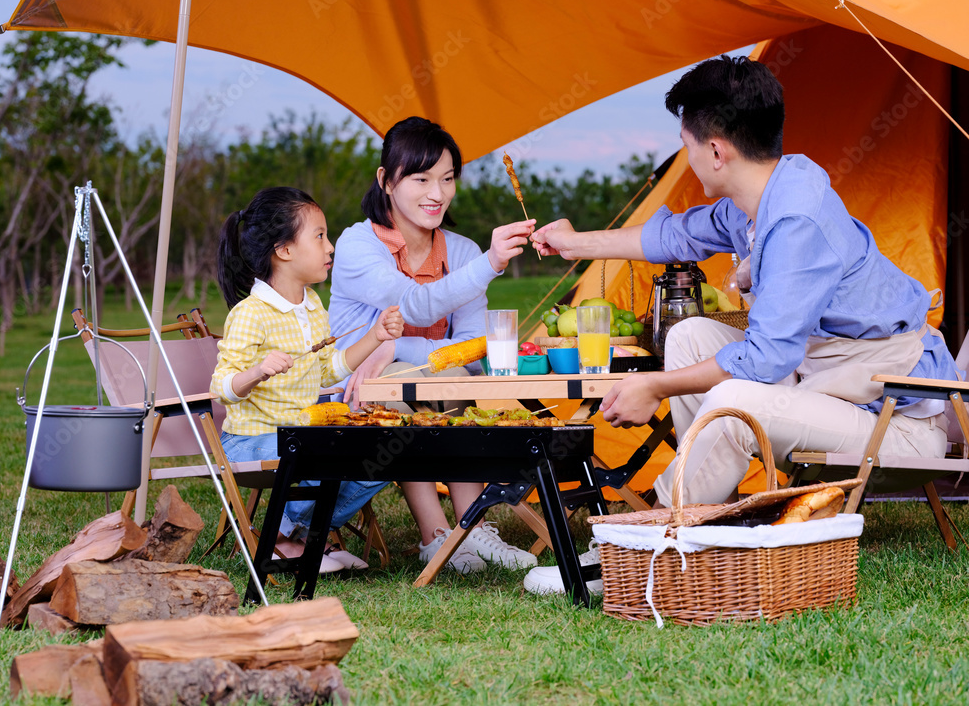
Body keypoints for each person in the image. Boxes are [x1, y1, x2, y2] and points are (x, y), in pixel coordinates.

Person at [527, 54, 961, 594]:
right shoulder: (764, 194)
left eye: (686, 146)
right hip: (824, 383)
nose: (687, 159)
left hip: (894, 419)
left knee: (739, 401)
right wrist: (577, 243)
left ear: (715, 150)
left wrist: (652, 385)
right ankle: (704, 526)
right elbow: (675, 238)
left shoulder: (796, 216)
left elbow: (765, 361)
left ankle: (647, 547)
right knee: (689, 336)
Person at [329, 116, 538, 574]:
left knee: (454, 381)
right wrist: (490, 263)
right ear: (386, 180)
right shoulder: (357, 244)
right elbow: (412, 306)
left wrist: (396, 348)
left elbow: (468, 346)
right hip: (352, 385)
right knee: (411, 393)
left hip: (431, 377)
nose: (437, 194)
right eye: (421, 179)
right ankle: (437, 537)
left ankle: (473, 529)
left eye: (447, 179)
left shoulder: (459, 251)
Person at [211, 186, 405, 573]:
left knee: (387, 454)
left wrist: (375, 336)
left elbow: (327, 370)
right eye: (319, 236)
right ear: (283, 250)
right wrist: (257, 371)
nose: (330, 247)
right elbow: (221, 388)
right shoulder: (252, 313)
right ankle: (284, 536)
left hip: (302, 435)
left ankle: (297, 535)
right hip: (249, 443)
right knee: (323, 451)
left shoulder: (313, 304)